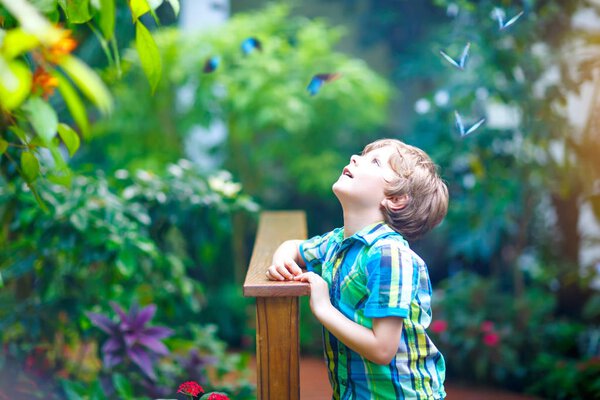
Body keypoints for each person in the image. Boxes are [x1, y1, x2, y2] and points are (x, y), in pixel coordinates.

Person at [266, 138, 448, 399]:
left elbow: (382, 349)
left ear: (395, 199)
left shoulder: (388, 254)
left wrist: (323, 306)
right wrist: (282, 259)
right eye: (362, 155)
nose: (354, 158)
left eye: (374, 162)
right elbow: (295, 246)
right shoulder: (339, 241)